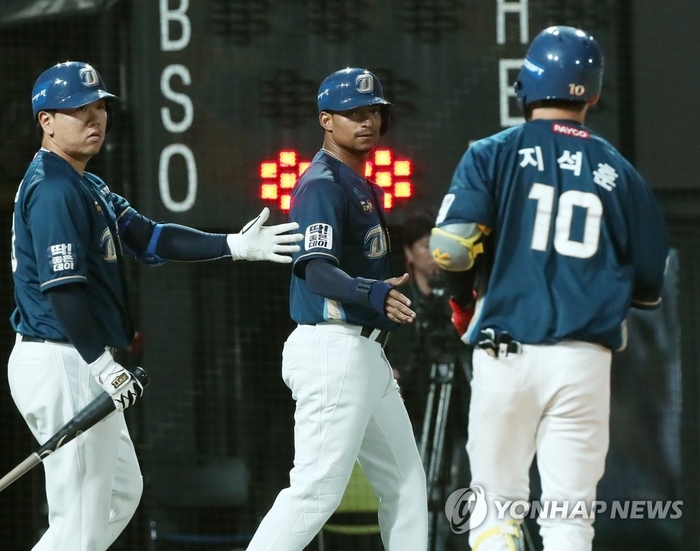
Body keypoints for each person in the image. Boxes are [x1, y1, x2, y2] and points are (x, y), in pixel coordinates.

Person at [8, 60, 302, 551]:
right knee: (80, 519)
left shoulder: (85, 183)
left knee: (120, 494)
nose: (95, 117)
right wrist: (100, 364)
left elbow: (150, 237)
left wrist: (231, 243)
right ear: (47, 120)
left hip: (73, 357)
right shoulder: (55, 188)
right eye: (79, 109)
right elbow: (62, 290)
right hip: (63, 358)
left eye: (100, 106)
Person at [429, 26, 669, 551]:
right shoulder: (619, 171)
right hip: (583, 361)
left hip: (506, 351)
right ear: (596, 91)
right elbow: (650, 283)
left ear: (526, 86)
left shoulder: (493, 153)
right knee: (568, 520)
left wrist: (462, 300)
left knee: (494, 508)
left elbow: (449, 246)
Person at [245, 67, 428, 550]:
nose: (366, 120)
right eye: (353, 113)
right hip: (333, 351)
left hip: (363, 353)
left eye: (373, 111)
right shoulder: (322, 183)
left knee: (407, 487)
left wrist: (370, 294)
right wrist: (372, 293)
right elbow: (316, 270)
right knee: (315, 493)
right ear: (327, 120)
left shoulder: (356, 183)